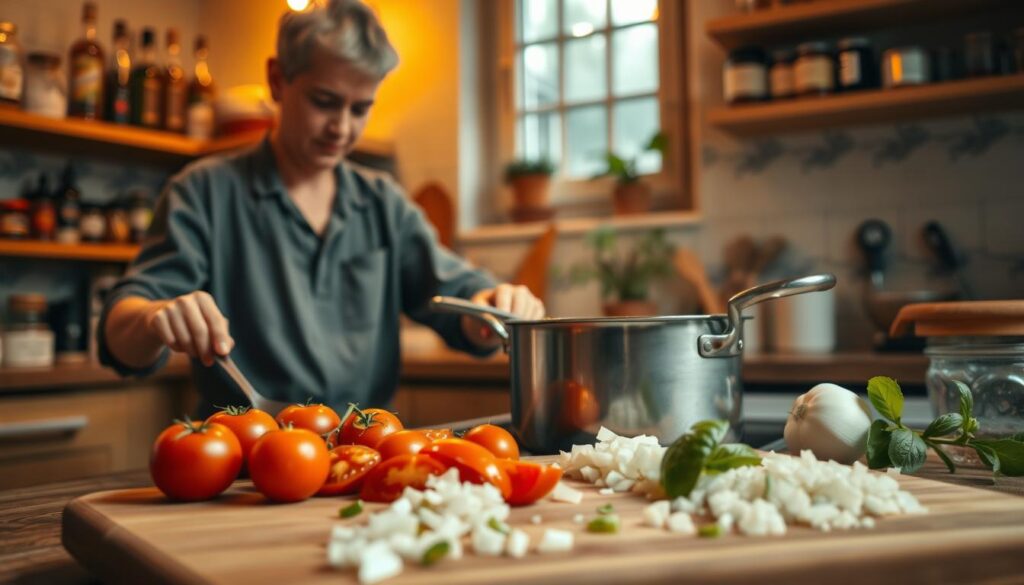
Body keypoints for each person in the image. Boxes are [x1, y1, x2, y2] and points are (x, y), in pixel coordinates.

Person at [99, 0, 543, 417]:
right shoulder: (203, 192)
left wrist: (492, 309)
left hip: (364, 461)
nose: (341, 127)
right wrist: (154, 318)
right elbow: (120, 337)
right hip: (243, 465)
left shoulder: (383, 202)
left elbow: (459, 297)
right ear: (277, 80)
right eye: (325, 102)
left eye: (360, 108)